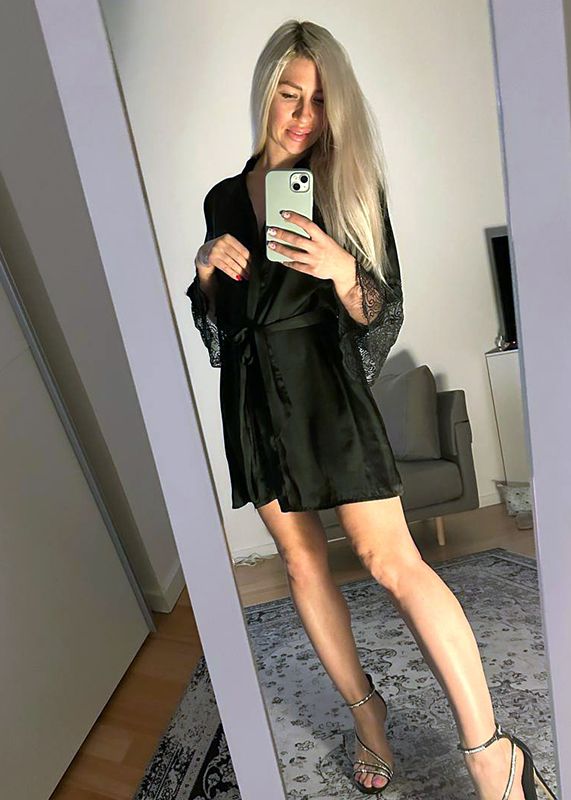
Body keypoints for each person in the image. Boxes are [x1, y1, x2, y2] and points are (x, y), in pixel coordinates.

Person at [186, 19, 557, 800]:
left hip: (324, 387)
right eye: (289, 95)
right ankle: (368, 718)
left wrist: (340, 269)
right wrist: (207, 271)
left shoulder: (345, 181)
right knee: (300, 563)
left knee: (392, 561)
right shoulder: (222, 196)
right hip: (252, 395)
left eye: (319, 100)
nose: (302, 115)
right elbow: (219, 329)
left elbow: (378, 312)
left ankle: (492, 755)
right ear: (265, 93)